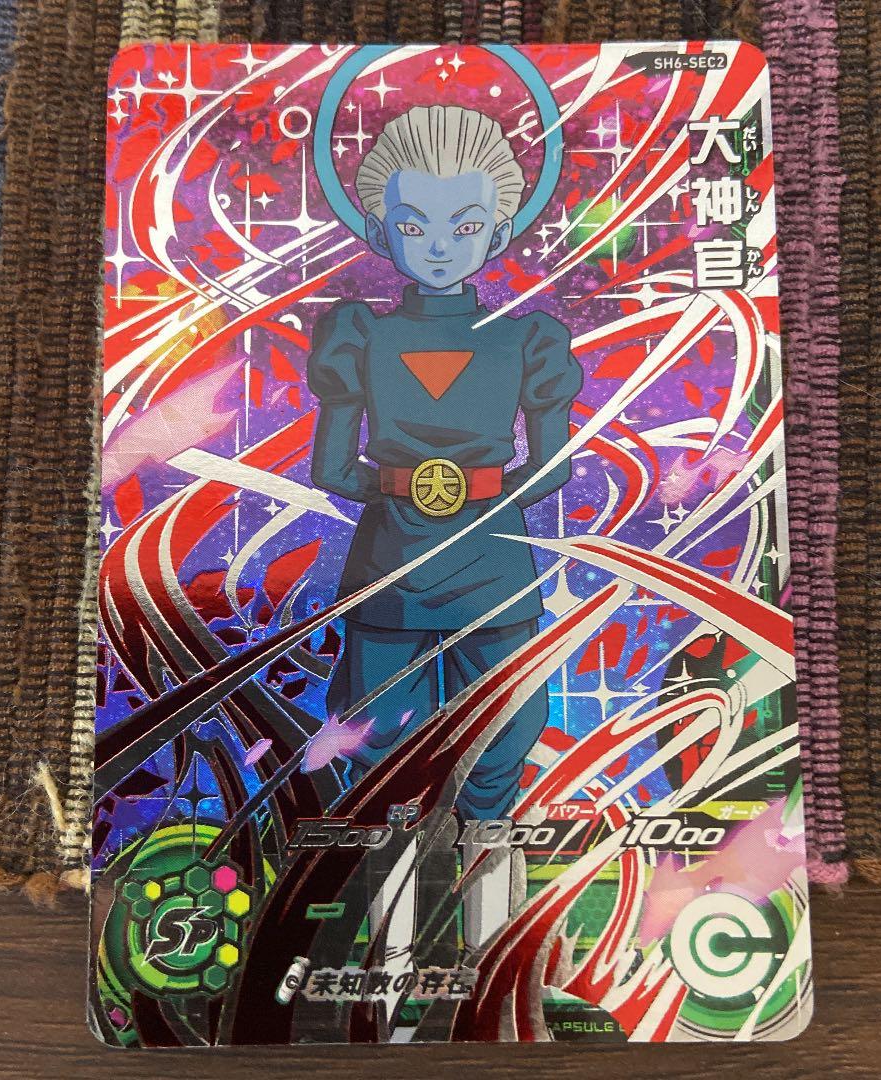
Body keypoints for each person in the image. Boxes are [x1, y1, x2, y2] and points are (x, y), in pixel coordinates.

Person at [307, 105, 582, 949]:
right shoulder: (367, 335)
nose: (436, 245)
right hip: (440, 567)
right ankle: (419, 959)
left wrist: (409, 489)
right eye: (413, 224)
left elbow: (337, 470)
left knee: (455, 758)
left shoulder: (522, 340)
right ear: (380, 230)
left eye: (461, 226)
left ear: (496, 231)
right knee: (421, 759)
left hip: (444, 567)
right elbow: (548, 470)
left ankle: (468, 956)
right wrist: (462, 493)